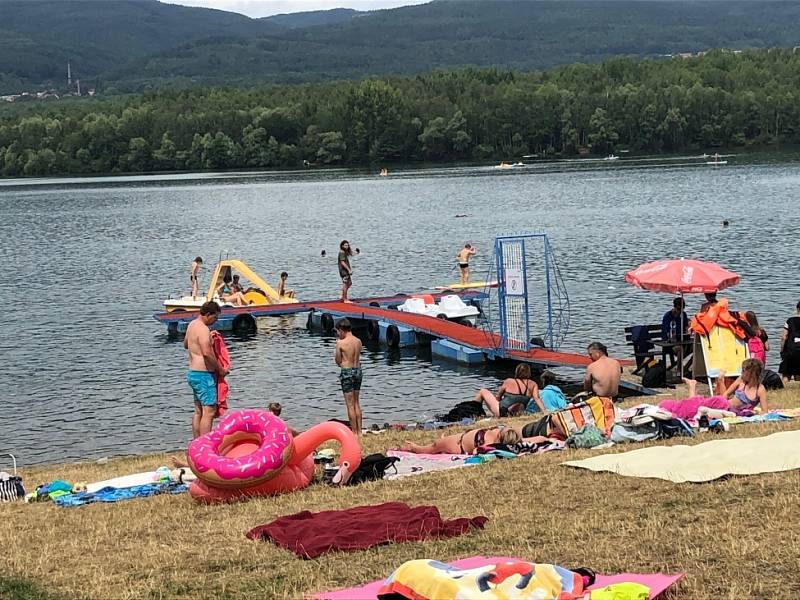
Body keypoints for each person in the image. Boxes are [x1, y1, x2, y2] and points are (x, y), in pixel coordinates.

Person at [184, 301, 227, 438]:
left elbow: (186, 344)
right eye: (215, 317)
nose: (216, 320)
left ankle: (196, 443)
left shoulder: (192, 325)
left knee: (198, 411)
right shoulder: (203, 329)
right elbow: (207, 353)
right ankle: (205, 446)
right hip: (204, 375)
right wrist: (220, 370)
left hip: (193, 373)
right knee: (209, 411)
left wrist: (207, 339)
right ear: (208, 315)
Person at [474, 363, 544, 417]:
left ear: (517, 371)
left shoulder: (508, 381)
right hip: (518, 412)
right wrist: (544, 411)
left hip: (502, 411)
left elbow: (498, 396)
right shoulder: (533, 384)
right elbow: (537, 398)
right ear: (529, 372)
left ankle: (474, 413)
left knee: (483, 391)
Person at [400, 426, 521, 455]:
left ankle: (412, 447)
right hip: (461, 438)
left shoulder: (489, 443)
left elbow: (476, 452)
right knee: (437, 444)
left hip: (458, 445)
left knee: (428, 448)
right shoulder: (499, 436)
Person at [335, 318, 363, 435]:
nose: (337, 334)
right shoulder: (358, 341)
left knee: (350, 404)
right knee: (356, 402)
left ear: (341, 330)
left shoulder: (341, 343)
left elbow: (338, 361)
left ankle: (354, 432)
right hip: (358, 371)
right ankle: (360, 431)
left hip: (347, 371)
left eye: (337, 331)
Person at [661, 297, 688, 368]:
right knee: (680, 349)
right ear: (674, 307)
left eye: (682, 309)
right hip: (670, 345)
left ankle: (687, 367)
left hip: (682, 341)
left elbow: (686, 328)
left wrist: (687, 333)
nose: (680, 311)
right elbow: (667, 333)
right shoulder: (668, 316)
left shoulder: (683, 315)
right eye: (679, 309)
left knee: (696, 347)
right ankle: (680, 371)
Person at [779, 301, 800, 383]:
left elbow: (784, 337)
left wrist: (782, 350)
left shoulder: (790, 321)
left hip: (790, 349)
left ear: (797, 309)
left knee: (786, 373)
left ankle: (784, 389)